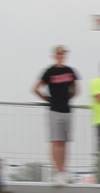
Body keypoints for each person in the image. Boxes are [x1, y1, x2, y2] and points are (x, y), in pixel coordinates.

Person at [32, 46, 79, 185]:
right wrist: (48, 99)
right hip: (54, 110)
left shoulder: (70, 71)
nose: (61, 56)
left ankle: (64, 170)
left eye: (63, 54)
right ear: (55, 55)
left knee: (65, 142)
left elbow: (75, 90)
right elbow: (36, 88)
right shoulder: (49, 71)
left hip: (66, 110)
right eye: (59, 54)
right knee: (56, 142)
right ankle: (58, 171)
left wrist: (68, 98)